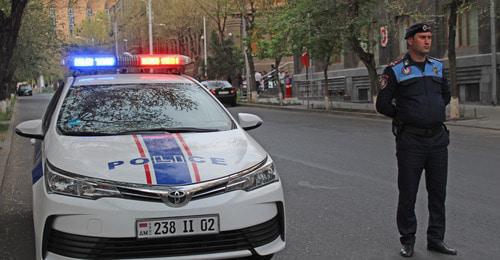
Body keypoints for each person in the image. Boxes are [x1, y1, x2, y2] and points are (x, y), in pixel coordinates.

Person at [376, 22, 457, 257]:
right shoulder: (396, 70)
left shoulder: (437, 67)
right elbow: (382, 104)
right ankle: (408, 240)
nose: (427, 41)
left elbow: (445, 95)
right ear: (410, 41)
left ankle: (436, 239)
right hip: (411, 141)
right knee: (408, 192)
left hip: (437, 139)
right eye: (422, 37)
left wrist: (430, 113)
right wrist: (406, 117)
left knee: (438, 193)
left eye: (429, 37)